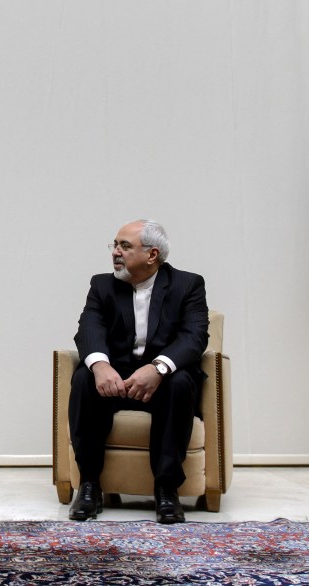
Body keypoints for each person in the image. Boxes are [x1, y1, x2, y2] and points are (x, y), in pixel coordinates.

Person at [68, 219, 208, 524]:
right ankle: (89, 485)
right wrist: (101, 365)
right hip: (114, 382)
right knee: (83, 377)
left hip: (163, 383)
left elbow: (194, 336)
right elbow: (89, 327)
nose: (115, 252)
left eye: (124, 246)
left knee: (181, 381)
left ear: (152, 255)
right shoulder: (102, 285)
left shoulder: (188, 285)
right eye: (115, 245)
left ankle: (166, 490)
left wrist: (158, 368)